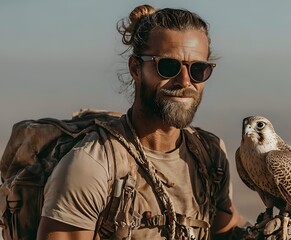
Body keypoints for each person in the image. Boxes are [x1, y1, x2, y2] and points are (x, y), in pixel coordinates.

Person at [36, 4, 247, 240]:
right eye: (168, 66)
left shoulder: (209, 155)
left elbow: (225, 228)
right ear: (136, 68)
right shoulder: (92, 166)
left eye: (198, 69)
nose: (185, 81)